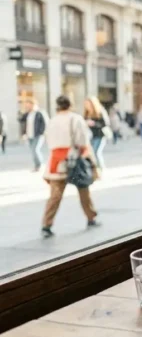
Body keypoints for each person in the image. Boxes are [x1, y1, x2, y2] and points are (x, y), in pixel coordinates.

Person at [41, 95, 100, 238]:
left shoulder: (52, 120)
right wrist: (92, 162)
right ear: (70, 105)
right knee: (83, 190)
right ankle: (91, 217)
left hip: (56, 162)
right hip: (73, 160)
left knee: (55, 195)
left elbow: (48, 140)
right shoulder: (76, 119)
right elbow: (83, 141)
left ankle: (46, 224)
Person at [21, 99, 48, 172]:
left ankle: (40, 165)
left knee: (35, 149)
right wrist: (23, 134)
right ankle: (36, 166)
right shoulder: (27, 114)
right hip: (29, 135)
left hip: (38, 135)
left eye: (30, 104)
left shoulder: (40, 113)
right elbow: (22, 123)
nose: (28, 106)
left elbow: (45, 123)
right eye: (27, 105)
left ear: (34, 104)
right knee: (32, 151)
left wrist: (42, 132)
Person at [84, 97, 109, 169]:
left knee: (96, 152)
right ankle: (95, 169)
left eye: (88, 104)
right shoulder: (87, 113)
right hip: (91, 136)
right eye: (86, 104)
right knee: (92, 153)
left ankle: (100, 169)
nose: (87, 106)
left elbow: (105, 123)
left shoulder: (100, 111)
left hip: (100, 135)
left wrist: (94, 123)